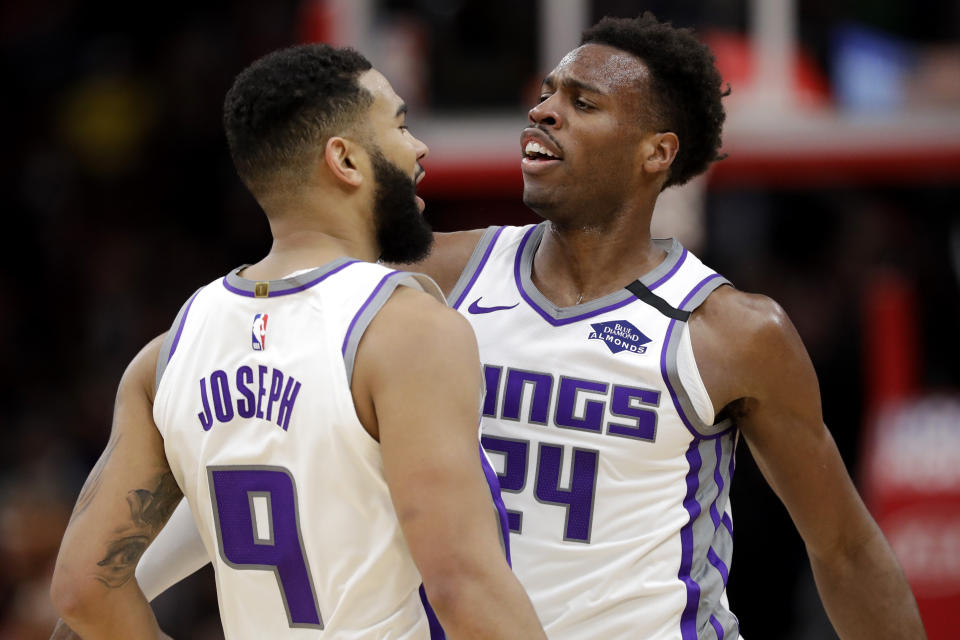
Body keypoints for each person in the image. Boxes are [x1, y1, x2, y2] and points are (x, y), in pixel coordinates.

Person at [99, 12, 928, 640]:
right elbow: (232, 419)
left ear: (656, 153)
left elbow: (846, 550)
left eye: (582, 102)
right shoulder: (430, 280)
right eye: (544, 96)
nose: (545, 114)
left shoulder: (731, 333)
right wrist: (124, 570)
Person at [48, 43, 546, 640]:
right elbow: (463, 584)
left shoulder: (167, 353)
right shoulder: (407, 331)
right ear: (346, 160)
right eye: (400, 124)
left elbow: (82, 586)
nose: (419, 149)